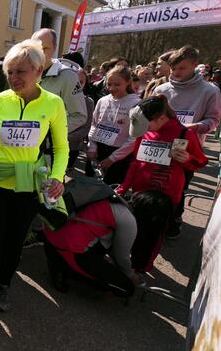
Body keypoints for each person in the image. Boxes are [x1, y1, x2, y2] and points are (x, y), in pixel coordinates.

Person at [0, 39, 68, 322]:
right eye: (10, 72)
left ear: (37, 70)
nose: (13, 78)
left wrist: (58, 176)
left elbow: (61, 147)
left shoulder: (53, 103)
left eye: (21, 71)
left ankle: (3, 287)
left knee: (13, 243)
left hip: (27, 187)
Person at [116, 95, 208, 269]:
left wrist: (187, 159)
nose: (144, 129)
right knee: (134, 228)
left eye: (148, 124)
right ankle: (128, 261)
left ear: (161, 118)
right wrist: (124, 187)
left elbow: (201, 162)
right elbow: (136, 162)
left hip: (165, 195)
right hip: (140, 191)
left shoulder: (184, 133)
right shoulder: (145, 131)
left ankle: (141, 267)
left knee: (153, 235)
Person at [43, 191, 169, 297]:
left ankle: (60, 260)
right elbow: (121, 256)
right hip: (67, 246)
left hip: (51, 232)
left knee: (102, 246)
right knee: (126, 289)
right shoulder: (129, 220)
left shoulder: (115, 196)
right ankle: (64, 268)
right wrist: (130, 275)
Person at [153, 45, 221, 237]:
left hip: (187, 149)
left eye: (181, 68)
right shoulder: (162, 89)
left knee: (178, 188)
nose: (176, 72)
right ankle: (154, 218)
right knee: (155, 182)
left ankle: (174, 221)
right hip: (159, 144)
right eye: (173, 68)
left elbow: (213, 120)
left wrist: (191, 128)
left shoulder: (209, 91)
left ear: (195, 65)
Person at [32, 29, 88, 156]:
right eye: (36, 47)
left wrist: (49, 130)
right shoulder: (24, 73)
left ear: (54, 48)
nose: (40, 52)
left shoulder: (67, 76)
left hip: (49, 152)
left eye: (45, 48)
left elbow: (80, 116)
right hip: (21, 149)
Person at [86, 65, 140, 184]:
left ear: (128, 82)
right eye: (109, 84)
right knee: (89, 190)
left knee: (110, 194)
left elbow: (134, 138)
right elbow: (94, 124)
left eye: (117, 84)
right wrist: (92, 147)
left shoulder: (135, 104)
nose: (112, 88)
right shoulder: (102, 101)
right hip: (97, 152)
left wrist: (112, 159)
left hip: (119, 157)